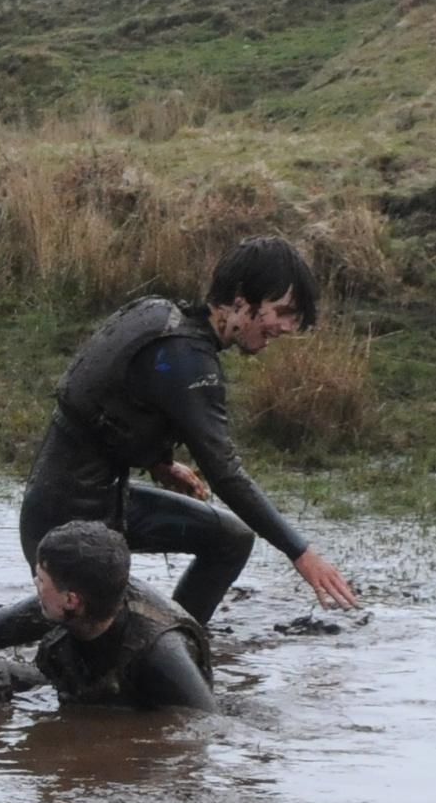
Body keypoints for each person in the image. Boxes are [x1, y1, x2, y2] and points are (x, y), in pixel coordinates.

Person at [22, 238, 359, 622]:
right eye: (281, 312)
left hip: (91, 502)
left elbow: (111, 404)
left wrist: (159, 462)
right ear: (240, 300)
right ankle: (171, 641)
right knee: (115, 643)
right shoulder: (189, 361)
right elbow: (226, 474)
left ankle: (183, 631)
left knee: (230, 539)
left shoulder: (159, 314)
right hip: (68, 537)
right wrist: (300, 552)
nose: (285, 327)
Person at [0, 520, 216, 712]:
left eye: (41, 580)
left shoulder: (163, 653)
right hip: (81, 686)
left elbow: (203, 726)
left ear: (71, 600)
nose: (35, 585)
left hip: (129, 713)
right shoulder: (64, 604)